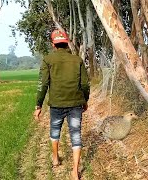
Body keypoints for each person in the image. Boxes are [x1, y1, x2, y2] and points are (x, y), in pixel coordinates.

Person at [33, 29, 90, 180]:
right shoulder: (77, 60)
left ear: (53, 44)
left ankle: (55, 158)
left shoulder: (47, 60)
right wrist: (85, 100)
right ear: (67, 43)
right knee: (75, 134)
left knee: (55, 130)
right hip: (76, 104)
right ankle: (75, 171)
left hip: (56, 104)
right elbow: (85, 84)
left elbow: (43, 84)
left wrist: (38, 106)